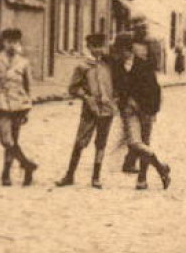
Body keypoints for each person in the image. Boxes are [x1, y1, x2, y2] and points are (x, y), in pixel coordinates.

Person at [59, 33, 117, 189]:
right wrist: (86, 97)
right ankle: (70, 175)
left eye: (101, 46)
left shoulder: (109, 65)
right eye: (94, 46)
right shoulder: (82, 66)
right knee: (80, 141)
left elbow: (117, 84)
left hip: (107, 110)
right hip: (90, 110)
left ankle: (96, 177)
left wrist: (114, 100)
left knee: (101, 143)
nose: (98, 50)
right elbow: (73, 88)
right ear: (89, 47)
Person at [0, 28, 38, 187]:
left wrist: (28, 106)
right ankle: (27, 164)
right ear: (3, 42)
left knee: (14, 140)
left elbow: (29, 86)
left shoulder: (24, 62)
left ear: (18, 43)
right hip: (1, 103)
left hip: (18, 104)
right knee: (6, 140)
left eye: (15, 42)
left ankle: (6, 174)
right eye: (8, 42)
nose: (11, 45)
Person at [117, 37, 173, 191]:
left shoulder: (144, 65)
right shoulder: (117, 66)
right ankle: (161, 166)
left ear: (128, 50)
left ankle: (142, 179)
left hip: (146, 110)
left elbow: (155, 90)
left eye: (121, 51)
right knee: (135, 143)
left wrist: (151, 110)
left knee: (145, 142)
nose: (119, 54)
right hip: (129, 111)